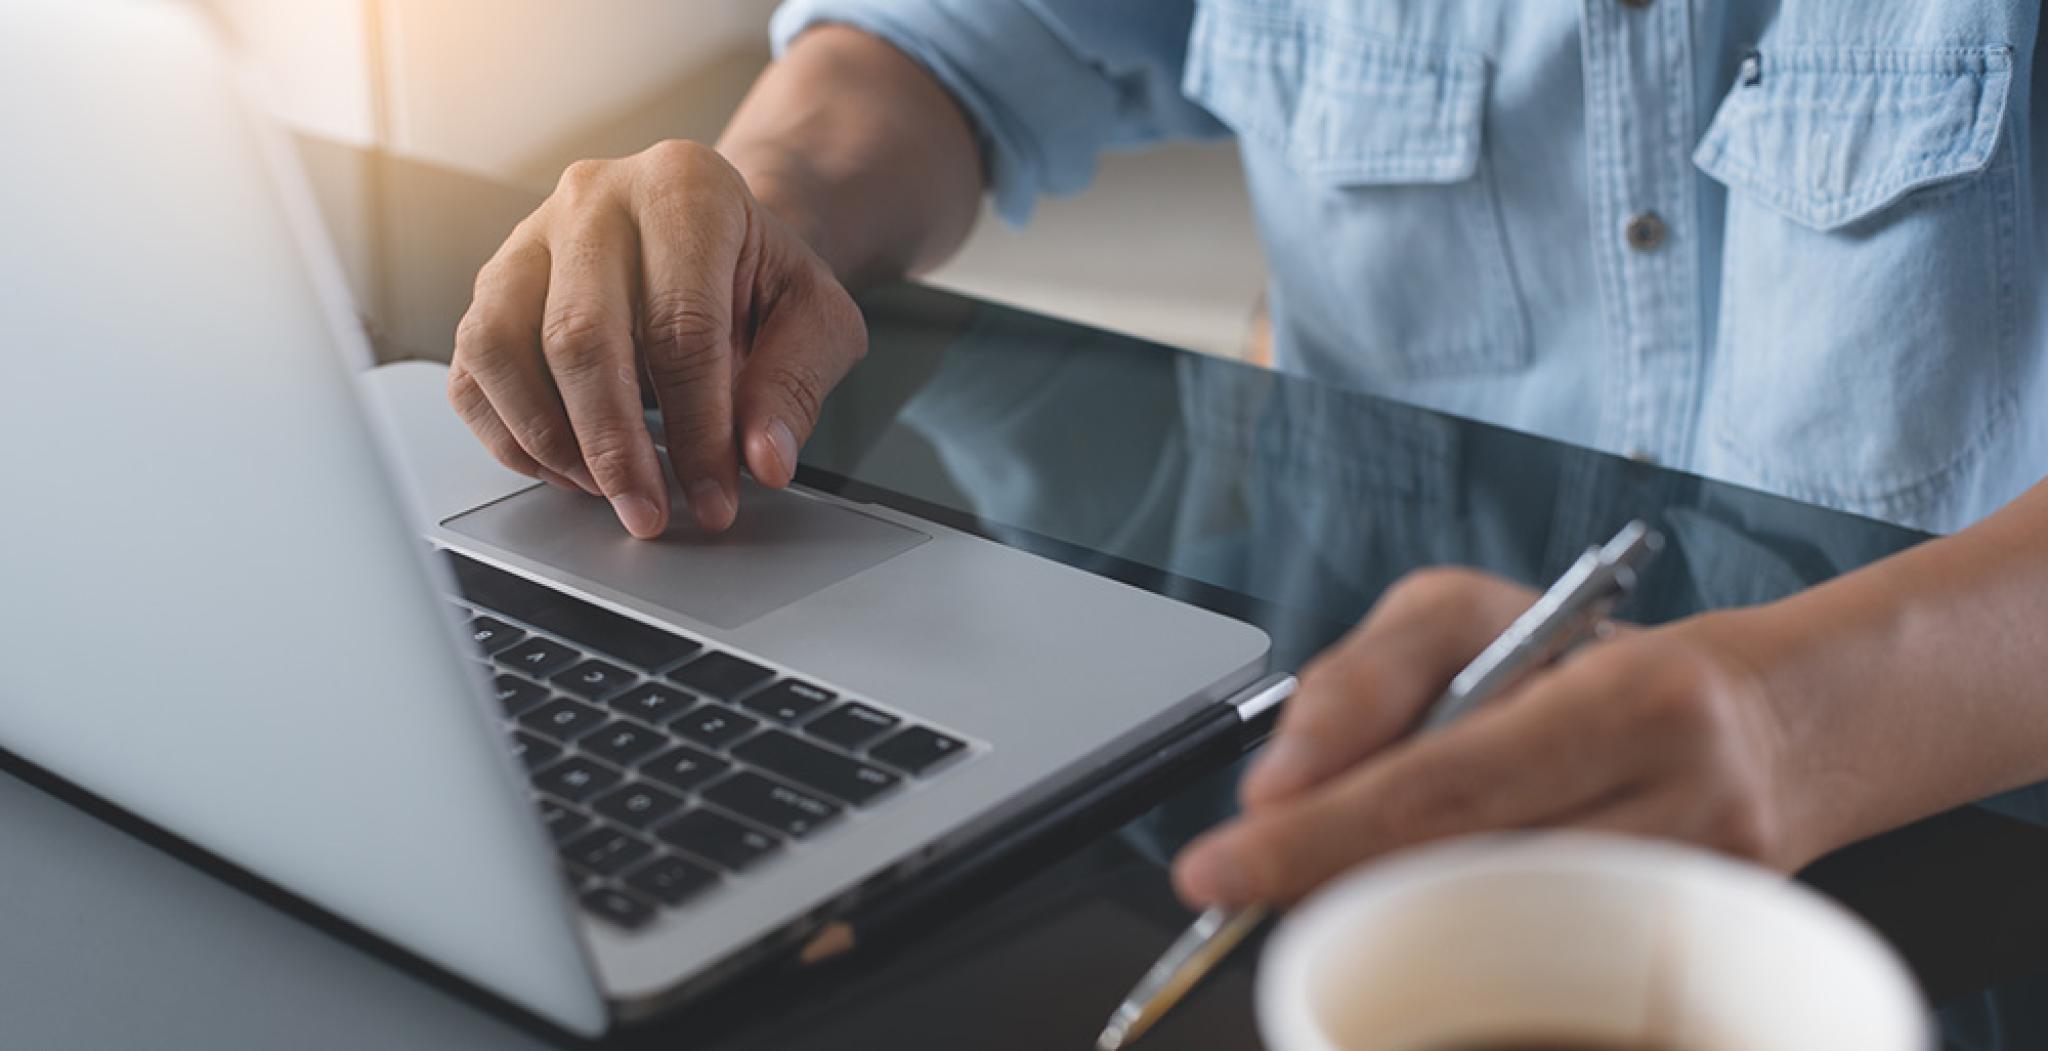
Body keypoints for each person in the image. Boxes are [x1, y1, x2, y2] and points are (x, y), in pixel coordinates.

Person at [444, 1, 2048, 912]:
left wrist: (1788, 721)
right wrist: (758, 199)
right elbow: (969, 39)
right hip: (1341, 772)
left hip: (1959, 834)